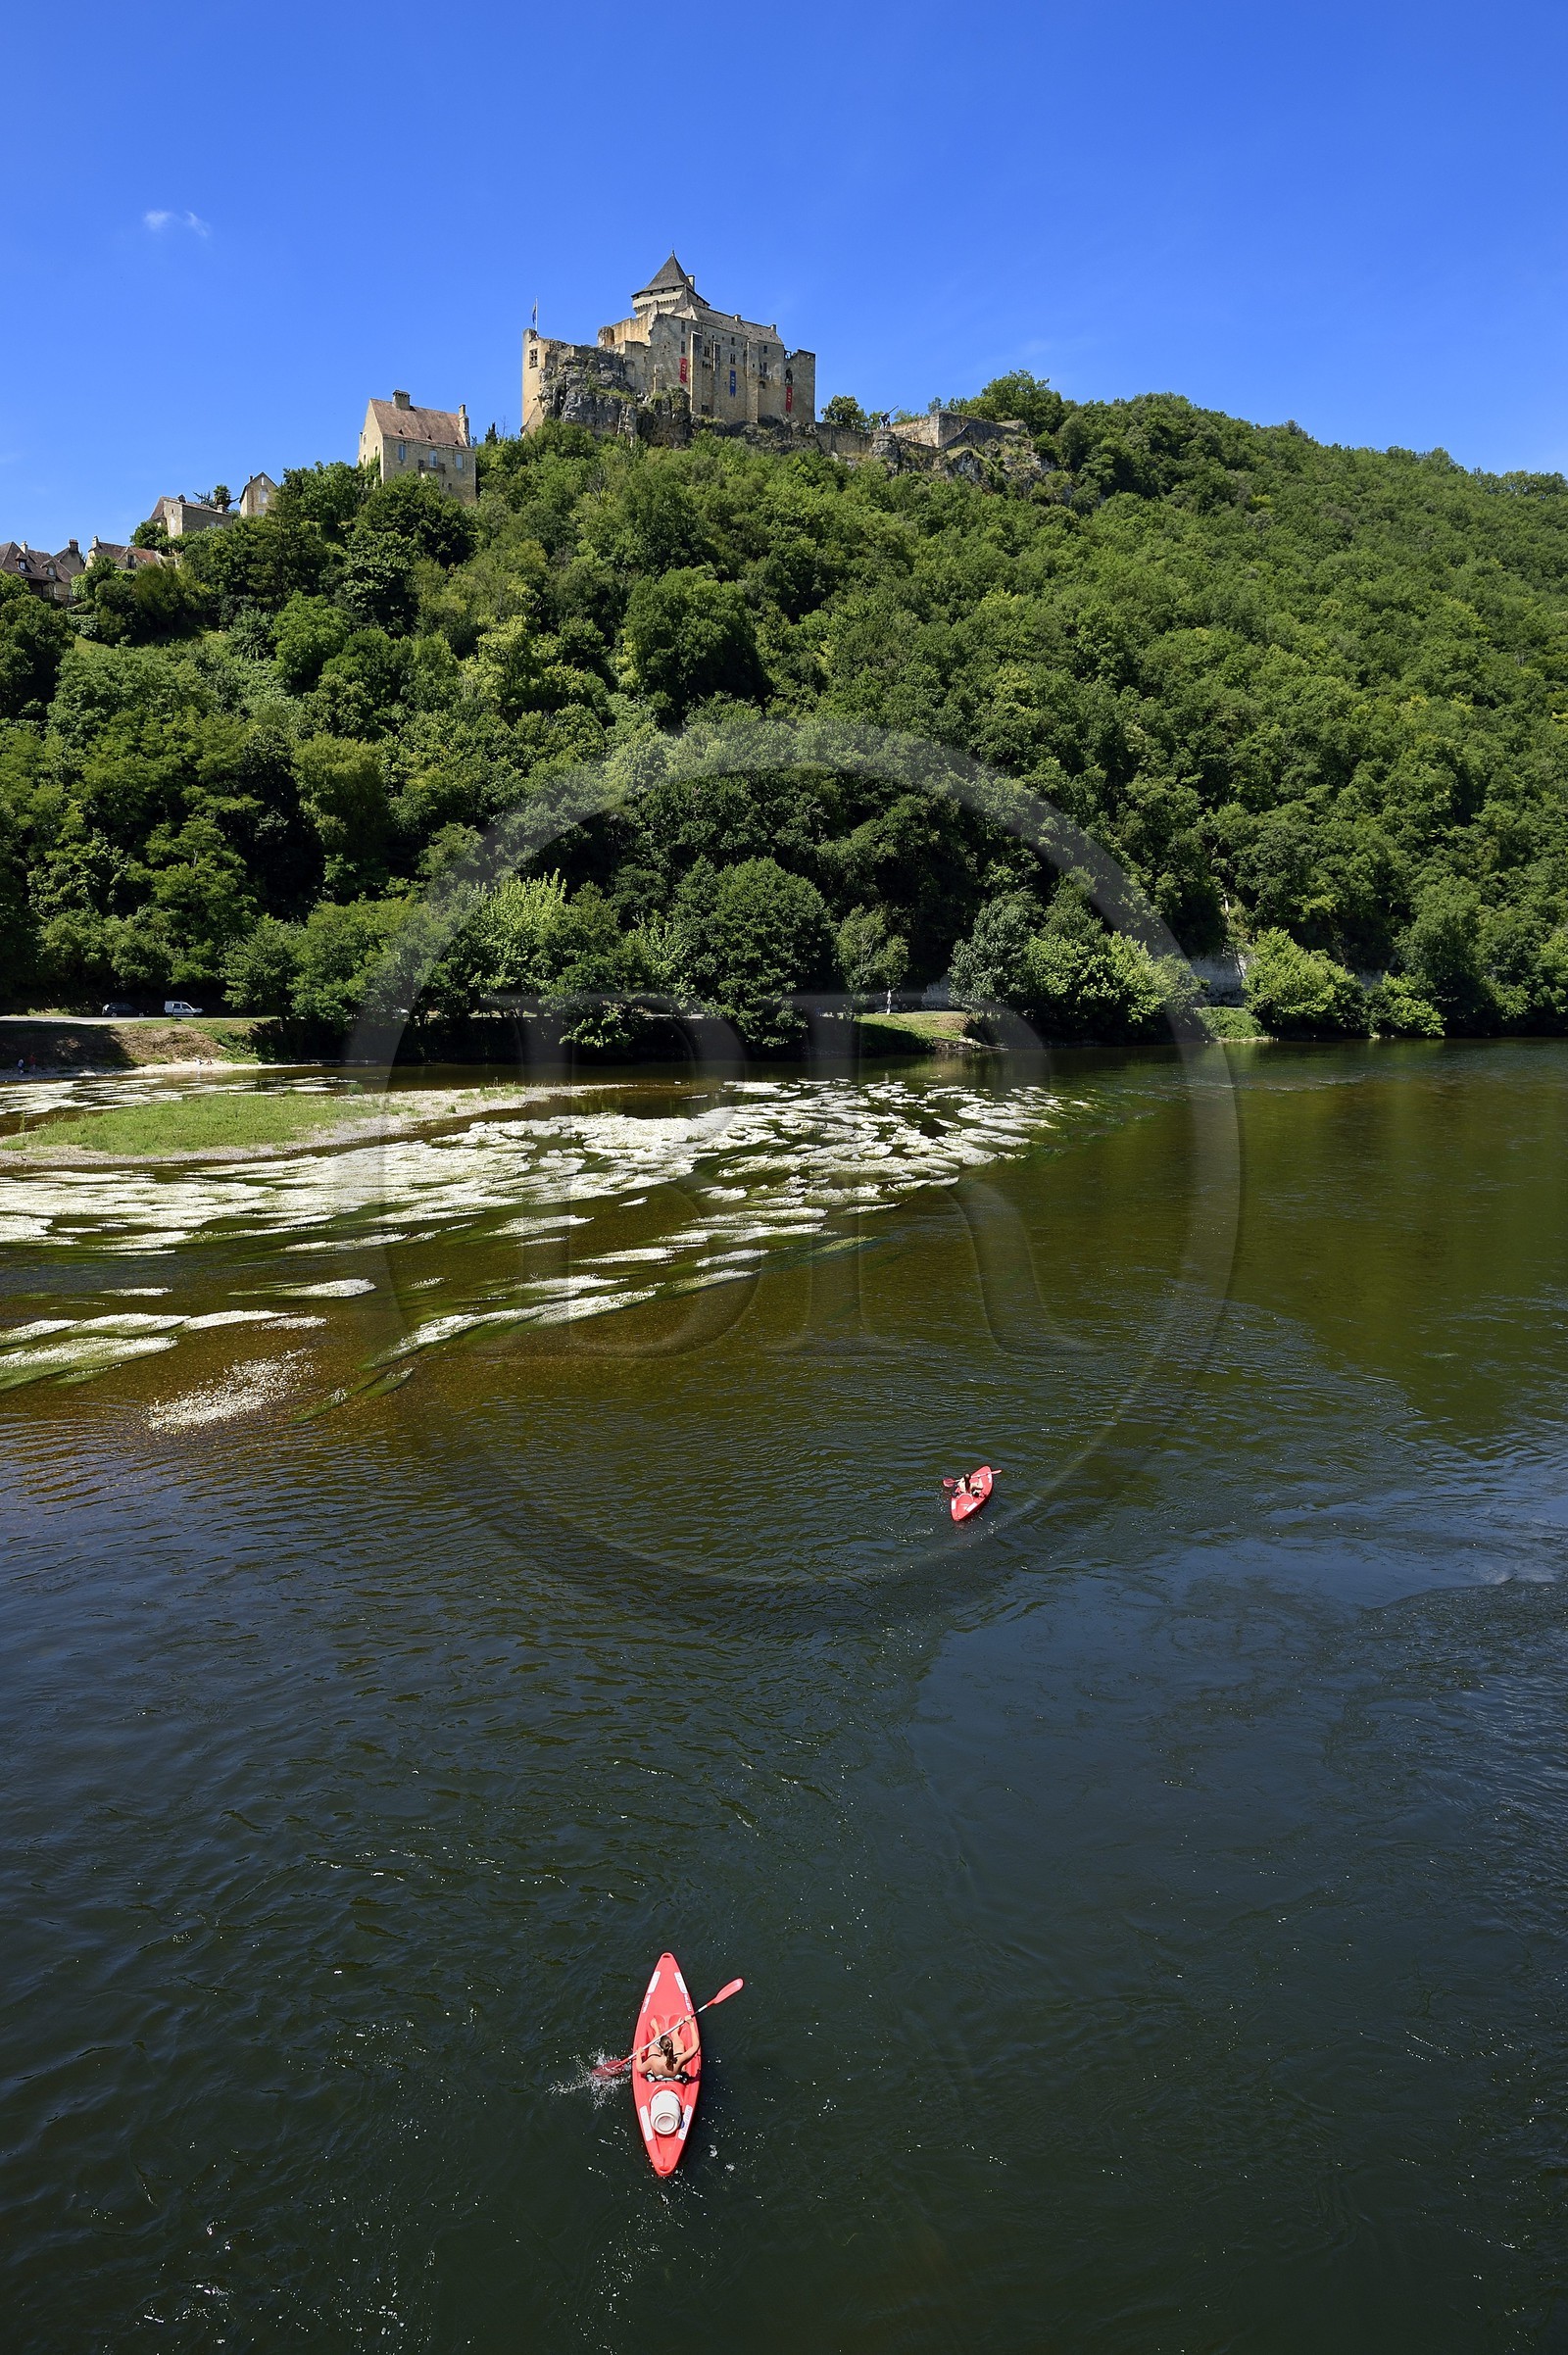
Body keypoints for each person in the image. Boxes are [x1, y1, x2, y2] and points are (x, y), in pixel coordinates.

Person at [641, 2014, 698, 2082]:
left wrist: (638, 2053)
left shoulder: (653, 2061)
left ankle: (657, 2033)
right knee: (679, 2046)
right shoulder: (679, 2061)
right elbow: (696, 2046)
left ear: (660, 2050)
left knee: (652, 2046)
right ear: (671, 2047)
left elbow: (640, 2069)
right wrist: (691, 2024)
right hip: (675, 2076)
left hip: (657, 2076)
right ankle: (675, 2033)